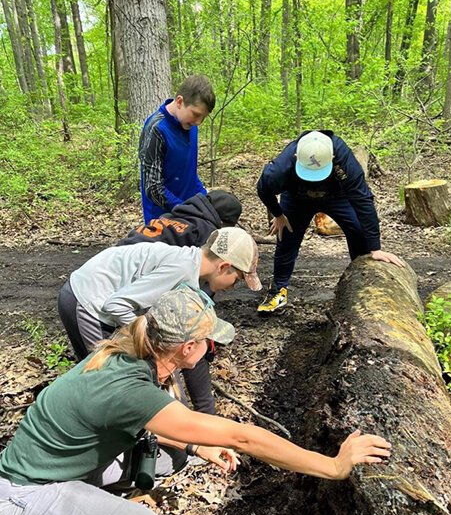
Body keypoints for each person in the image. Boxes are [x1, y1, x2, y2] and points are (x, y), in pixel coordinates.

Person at [0, 285, 392, 515]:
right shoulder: (129, 388)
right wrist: (334, 466)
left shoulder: (132, 351)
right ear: (188, 348)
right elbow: (243, 437)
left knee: (172, 455)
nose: (211, 346)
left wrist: (196, 446)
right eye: (207, 340)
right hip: (30, 488)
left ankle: (81, 513)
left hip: (59, 463)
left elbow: (157, 424)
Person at [58, 227, 261, 415]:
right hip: (87, 301)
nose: (234, 287)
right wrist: (150, 343)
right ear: (224, 266)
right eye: (237, 279)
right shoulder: (180, 269)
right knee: (109, 378)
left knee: (142, 370)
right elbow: (116, 305)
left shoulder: (190, 270)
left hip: (104, 300)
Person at [256, 130, 405, 315]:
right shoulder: (282, 167)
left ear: (332, 157)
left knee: (359, 230)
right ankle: (278, 290)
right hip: (297, 198)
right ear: (296, 156)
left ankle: (362, 284)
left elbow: (363, 200)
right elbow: (263, 188)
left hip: (337, 196)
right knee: (287, 235)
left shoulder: (345, 161)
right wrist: (278, 215)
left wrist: (375, 247)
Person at [139, 74, 215, 223]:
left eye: (203, 118)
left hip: (190, 213)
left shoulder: (190, 124)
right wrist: (184, 208)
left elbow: (189, 172)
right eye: (196, 114)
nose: (199, 122)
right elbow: (152, 187)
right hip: (162, 219)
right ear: (180, 101)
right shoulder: (156, 129)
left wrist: (203, 199)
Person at [116, 189, 242, 248]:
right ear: (222, 222)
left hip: (119, 249)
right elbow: (204, 269)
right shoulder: (206, 230)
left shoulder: (173, 215)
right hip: (140, 260)